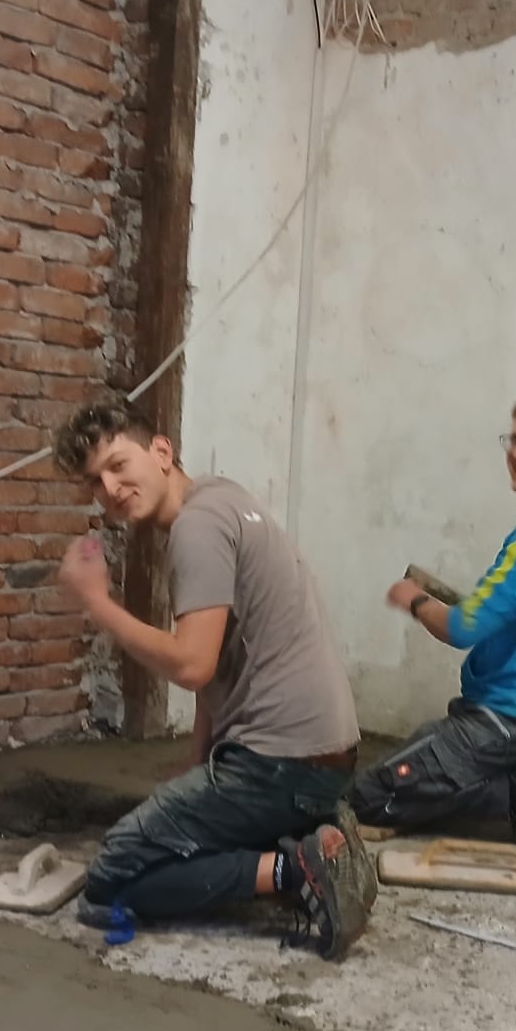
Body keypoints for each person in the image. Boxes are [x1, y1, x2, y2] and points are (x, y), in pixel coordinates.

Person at [51, 398, 376, 960]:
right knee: (183, 834)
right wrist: (199, 766)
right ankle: (313, 831)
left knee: (112, 879)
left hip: (279, 764)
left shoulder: (196, 529)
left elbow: (192, 664)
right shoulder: (223, 498)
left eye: (118, 465)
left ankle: (297, 868)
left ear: (161, 451)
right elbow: (219, 668)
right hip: (322, 757)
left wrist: (97, 603)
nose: (110, 489)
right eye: (95, 482)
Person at [355, 393, 516, 857]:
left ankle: (511, 792)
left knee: (366, 795)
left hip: (501, 716)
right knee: (424, 760)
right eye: (515, 439)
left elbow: (464, 627)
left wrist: (415, 601)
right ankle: (515, 771)